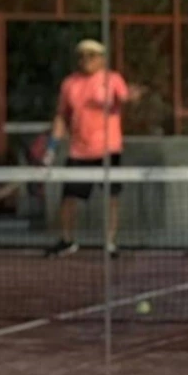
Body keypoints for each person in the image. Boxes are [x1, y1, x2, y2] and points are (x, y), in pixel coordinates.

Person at [42, 38, 143, 258]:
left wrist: (132, 99)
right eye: (82, 56)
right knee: (68, 198)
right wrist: (51, 148)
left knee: (111, 198)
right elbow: (61, 117)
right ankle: (67, 241)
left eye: (91, 55)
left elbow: (125, 99)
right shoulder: (69, 84)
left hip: (108, 150)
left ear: (102, 59)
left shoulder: (113, 79)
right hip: (79, 151)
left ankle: (109, 243)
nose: (86, 60)